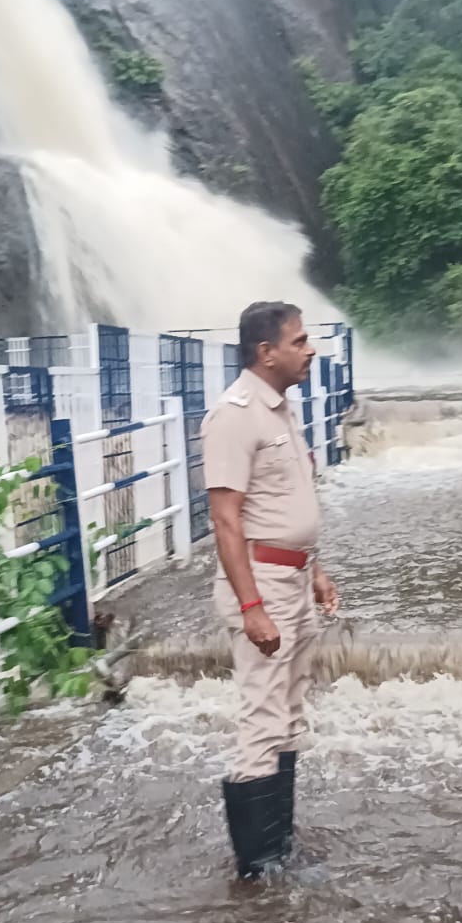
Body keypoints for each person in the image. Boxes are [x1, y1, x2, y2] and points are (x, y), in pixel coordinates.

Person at [200, 302, 340, 877]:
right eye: (300, 341)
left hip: (294, 579)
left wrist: (317, 570)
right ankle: (257, 868)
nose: (310, 350)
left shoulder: (282, 412)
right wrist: (252, 608)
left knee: (288, 713)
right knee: (261, 720)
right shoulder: (234, 416)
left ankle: (281, 847)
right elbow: (227, 520)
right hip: (263, 587)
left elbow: (288, 504)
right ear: (267, 352)